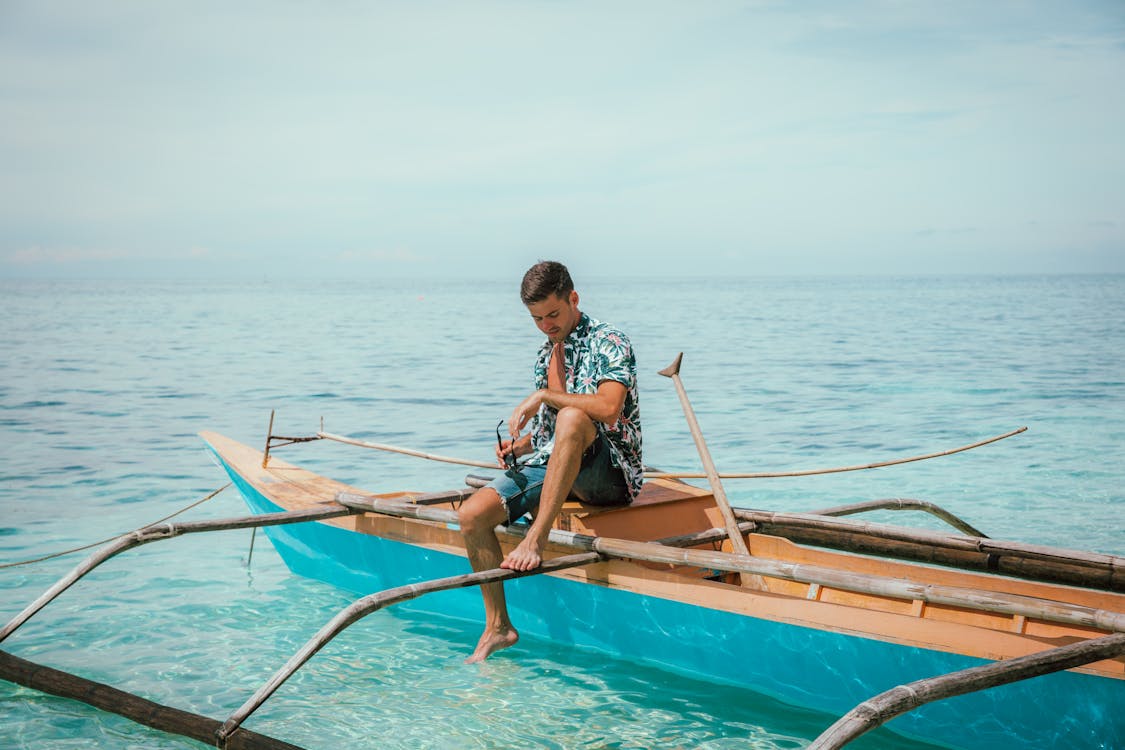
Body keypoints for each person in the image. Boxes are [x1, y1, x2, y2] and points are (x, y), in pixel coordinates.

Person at [457, 260, 643, 663]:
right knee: (471, 515)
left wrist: (545, 397)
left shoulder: (610, 340)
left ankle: (535, 539)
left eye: (553, 314)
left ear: (573, 299)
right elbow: (548, 439)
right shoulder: (545, 356)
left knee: (574, 415)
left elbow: (609, 409)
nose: (546, 325)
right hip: (559, 464)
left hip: (610, 475)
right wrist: (519, 448)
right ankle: (498, 626)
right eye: (536, 318)